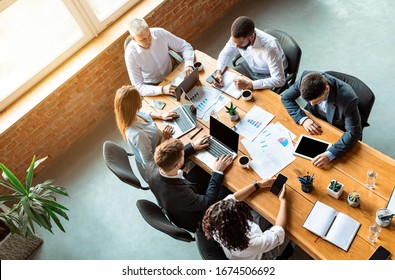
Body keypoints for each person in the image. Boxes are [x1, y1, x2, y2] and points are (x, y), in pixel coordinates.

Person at [146, 138, 233, 232]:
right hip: (195, 216)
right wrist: (217, 171)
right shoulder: (180, 194)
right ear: (177, 166)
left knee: (202, 170)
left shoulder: (150, 165)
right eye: (182, 155)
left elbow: (168, 158)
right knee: (228, 189)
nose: (184, 154)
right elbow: (208, 201)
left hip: (175, 199)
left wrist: (193, 147)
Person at [281, 71, 362, 168]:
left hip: (338, 128)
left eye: (317, 101)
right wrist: (303, 119)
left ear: (327, 89)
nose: (312, 104)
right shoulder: (305, 79)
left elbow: (354, 132)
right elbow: (286, 98)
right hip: (315, 120)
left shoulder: (348, 99)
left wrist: (330, 154)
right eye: (308, 101)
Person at [202, 179, 289, 260]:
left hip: (249, 234)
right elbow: (278, 232)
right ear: (241, 222)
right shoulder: (250, 244)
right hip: (259, 254)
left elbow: (234, 198)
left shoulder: (215, 220)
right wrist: (283, 200)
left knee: (269, 209)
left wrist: (258, 184)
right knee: (289, 228)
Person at [212, 16, 287, 91]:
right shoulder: (237, 37)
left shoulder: (270, 49)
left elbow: (279, 80)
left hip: (269, 72)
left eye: (240, 44)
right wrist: (218, 72)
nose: (236, 46)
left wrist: (250, 84)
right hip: (251, 66)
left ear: (252, 36)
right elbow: (225, 53)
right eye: (234, 42)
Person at [125, 18, 195, 97]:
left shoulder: (160, 33)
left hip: (173, 72)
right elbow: (138, 86)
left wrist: (188, 64)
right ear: (133, 38)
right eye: (143, 39)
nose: (148, 41)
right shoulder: (130, 54)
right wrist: (161, 90)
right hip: (154, 86)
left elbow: (184, 46)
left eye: (149, 35)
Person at [114, 85, 179, 167]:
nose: (141, 99)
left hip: (160, 142)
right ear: (132, 106)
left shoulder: (131, 114)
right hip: (161, 158)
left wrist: (161, 115)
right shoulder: (139, 135)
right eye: (139, 99)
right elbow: (150, 162)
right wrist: (163, 140)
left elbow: (145, 113)